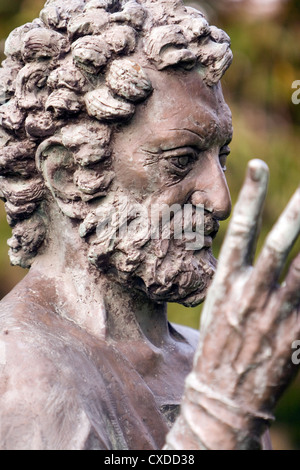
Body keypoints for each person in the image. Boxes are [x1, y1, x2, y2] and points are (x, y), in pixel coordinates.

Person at [0, 0, 299, 450]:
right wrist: (217, 422)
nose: (220, 202)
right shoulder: (22, 376)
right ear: (66, 173)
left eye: (222, 158)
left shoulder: (209, 360)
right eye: (181, 161)